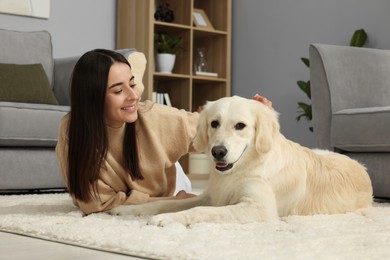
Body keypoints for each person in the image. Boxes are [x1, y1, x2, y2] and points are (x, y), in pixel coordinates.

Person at [55, 49, 272, 214]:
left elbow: (208, 126)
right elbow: (96, 204)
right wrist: (176, 203)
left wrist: (253, 113)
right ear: (93, 98)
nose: (133, 96)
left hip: (166, 178)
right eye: (119, 90)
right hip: (157, 194)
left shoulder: (152, 116)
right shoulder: (72, 133)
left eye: (133, 84)